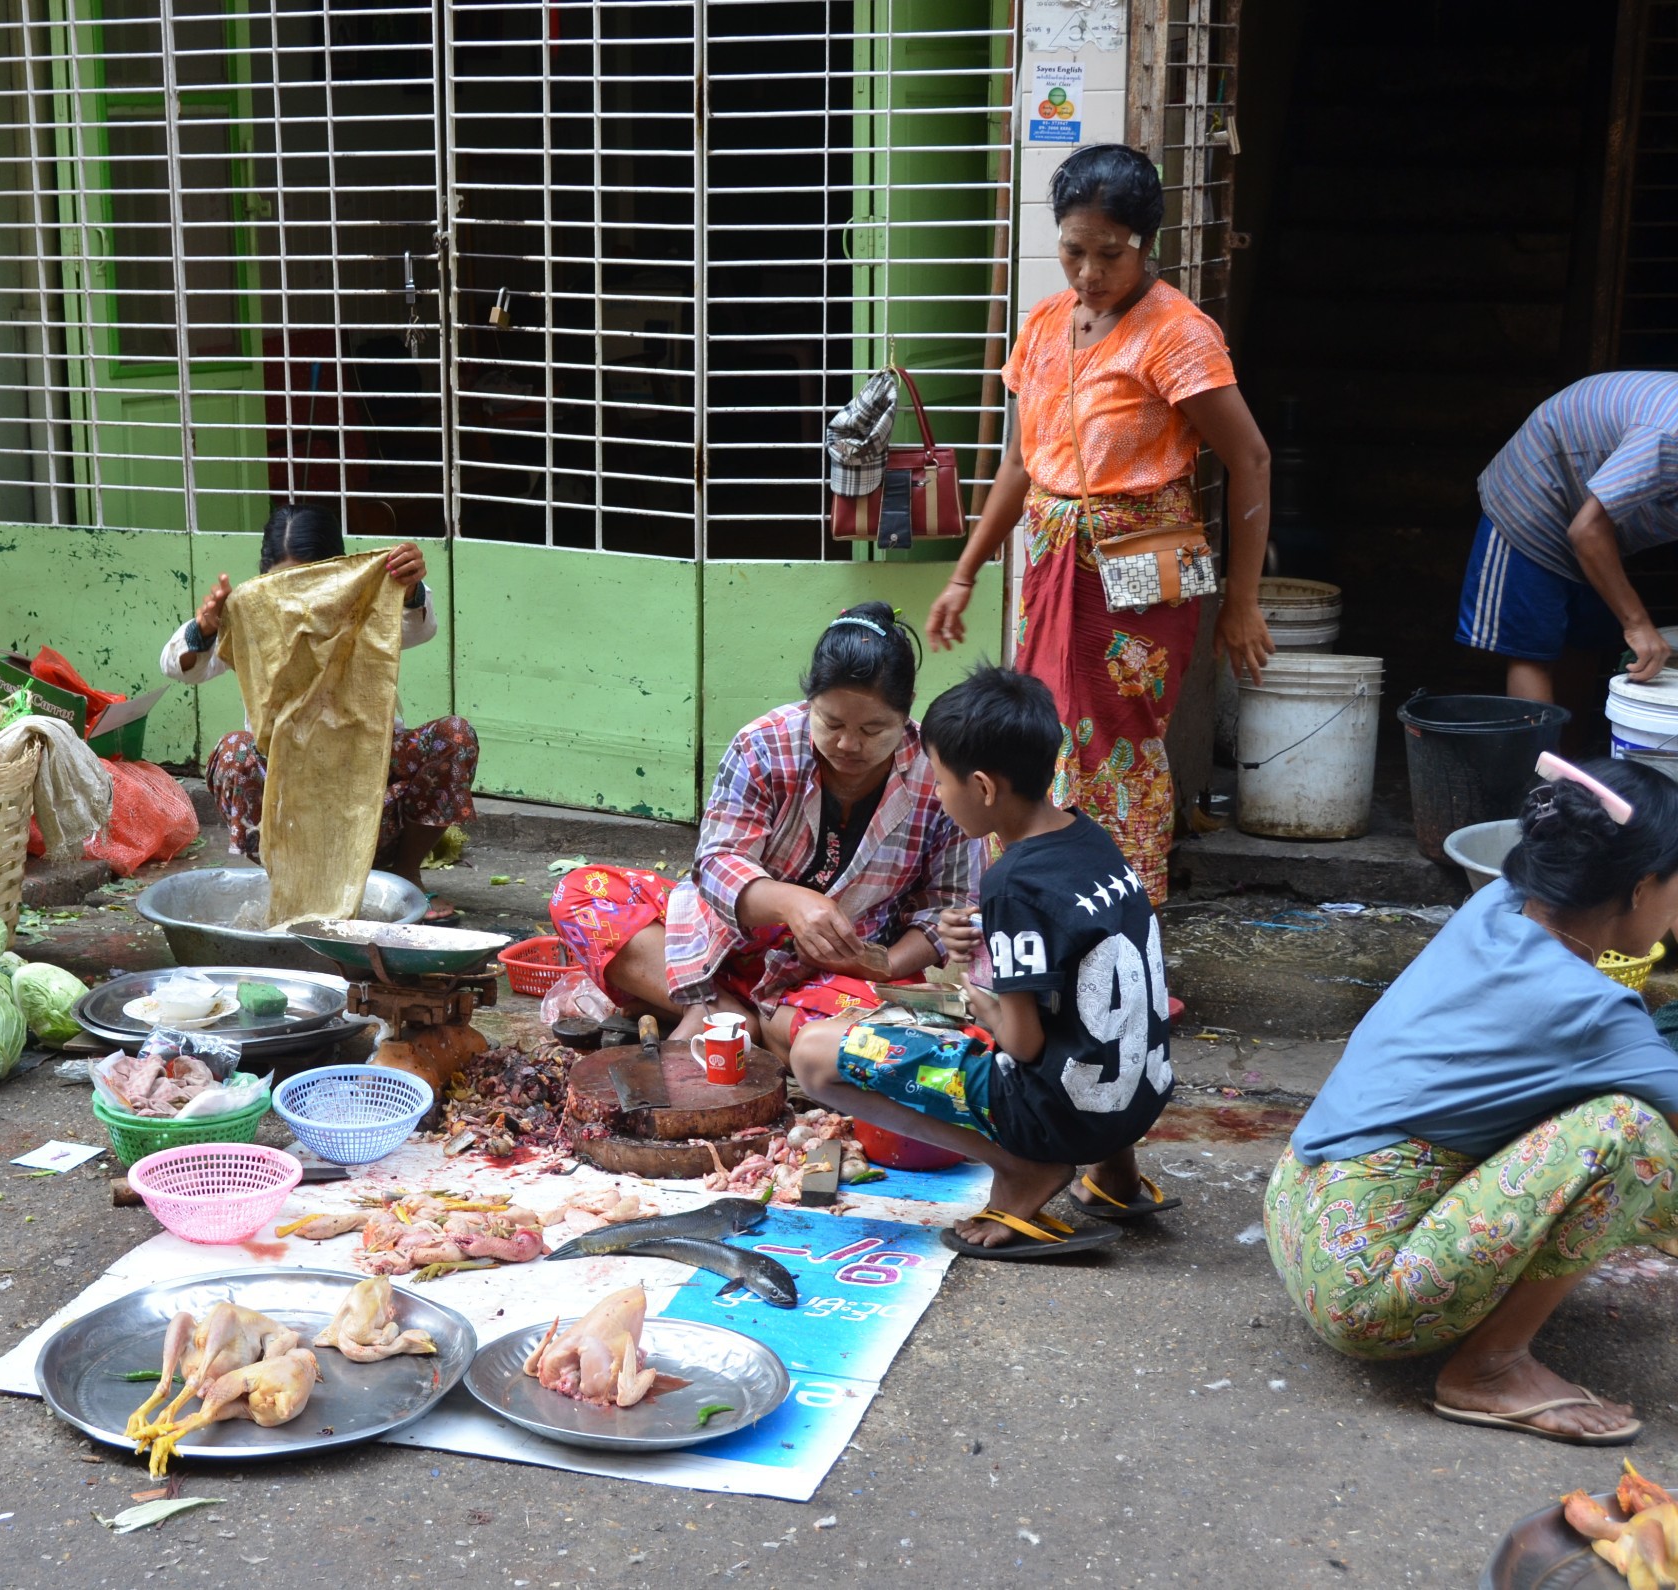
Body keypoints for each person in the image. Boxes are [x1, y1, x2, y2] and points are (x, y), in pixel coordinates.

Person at [1265, 756, 1678, 1445]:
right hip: (1366, 1292)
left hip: (1301, 1213)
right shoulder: (1593, 1012)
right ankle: (1489, 1368)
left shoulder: (1496, 907)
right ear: (1640, 891)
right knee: (1636, 1139)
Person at [926, 142, 1274, 904]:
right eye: (1073, 251)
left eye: (1109, 255)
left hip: (1135, 575)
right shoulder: (1046, 324)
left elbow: (1249, 460)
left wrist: (1242, 601)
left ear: (1145, 243)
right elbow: (1020, 464)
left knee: (1115, 747)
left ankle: (1122, 927)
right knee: (1037, 739)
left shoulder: (1176, 333)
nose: (1088, 274)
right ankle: (1033, 910)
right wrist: (964, 572)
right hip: (1053, 566)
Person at [789, 666, 1175, 1259]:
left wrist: (978, 998)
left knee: (813, 1055)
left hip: (1063, 1114)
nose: (939, 798)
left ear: (984, 789)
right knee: (1096, 1031)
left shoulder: (1011, 883)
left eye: (941, 784)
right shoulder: (1087, 838)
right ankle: (1115, 1177)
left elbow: (1021, 1045)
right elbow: (1068, 940)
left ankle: (1021, 1168)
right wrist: (985, 931)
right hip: (1139, 1100)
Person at [546, 602, 977, 1047]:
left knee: (887, 1039)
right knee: (578, 893)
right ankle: (723, 1011)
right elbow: (716, 862)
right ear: (810, 701)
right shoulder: (764, 744)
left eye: (873, 730)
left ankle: (729, 1017)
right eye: (830, 722)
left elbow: (949, 905)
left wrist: (881, 963)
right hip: (719, 945)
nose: (849, 744)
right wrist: (791, 903)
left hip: (832, 975)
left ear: (905, 715)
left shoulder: (937, 775)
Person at [160, 503, 476, 916]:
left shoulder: (363, 601)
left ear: (342, 572)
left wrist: (410, 585)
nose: (299, 601)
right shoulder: (253, 612)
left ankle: (405, 877)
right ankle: (293, 883)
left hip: (372, 781)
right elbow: (178, 666)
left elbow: (420, 626)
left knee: (455, 736)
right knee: (233, 753)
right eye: (286, 584)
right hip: (288, 792)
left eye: (312, 583)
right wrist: (206, 627)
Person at [1459, 371, 1678, 705]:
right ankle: (1539, 758)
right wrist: (1638, 624)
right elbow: (1587, 531)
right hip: (1540, 486)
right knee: (1533, 649)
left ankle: (1573, 759)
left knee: (1585, 642)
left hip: (1600, 509)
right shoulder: (1666, 437)